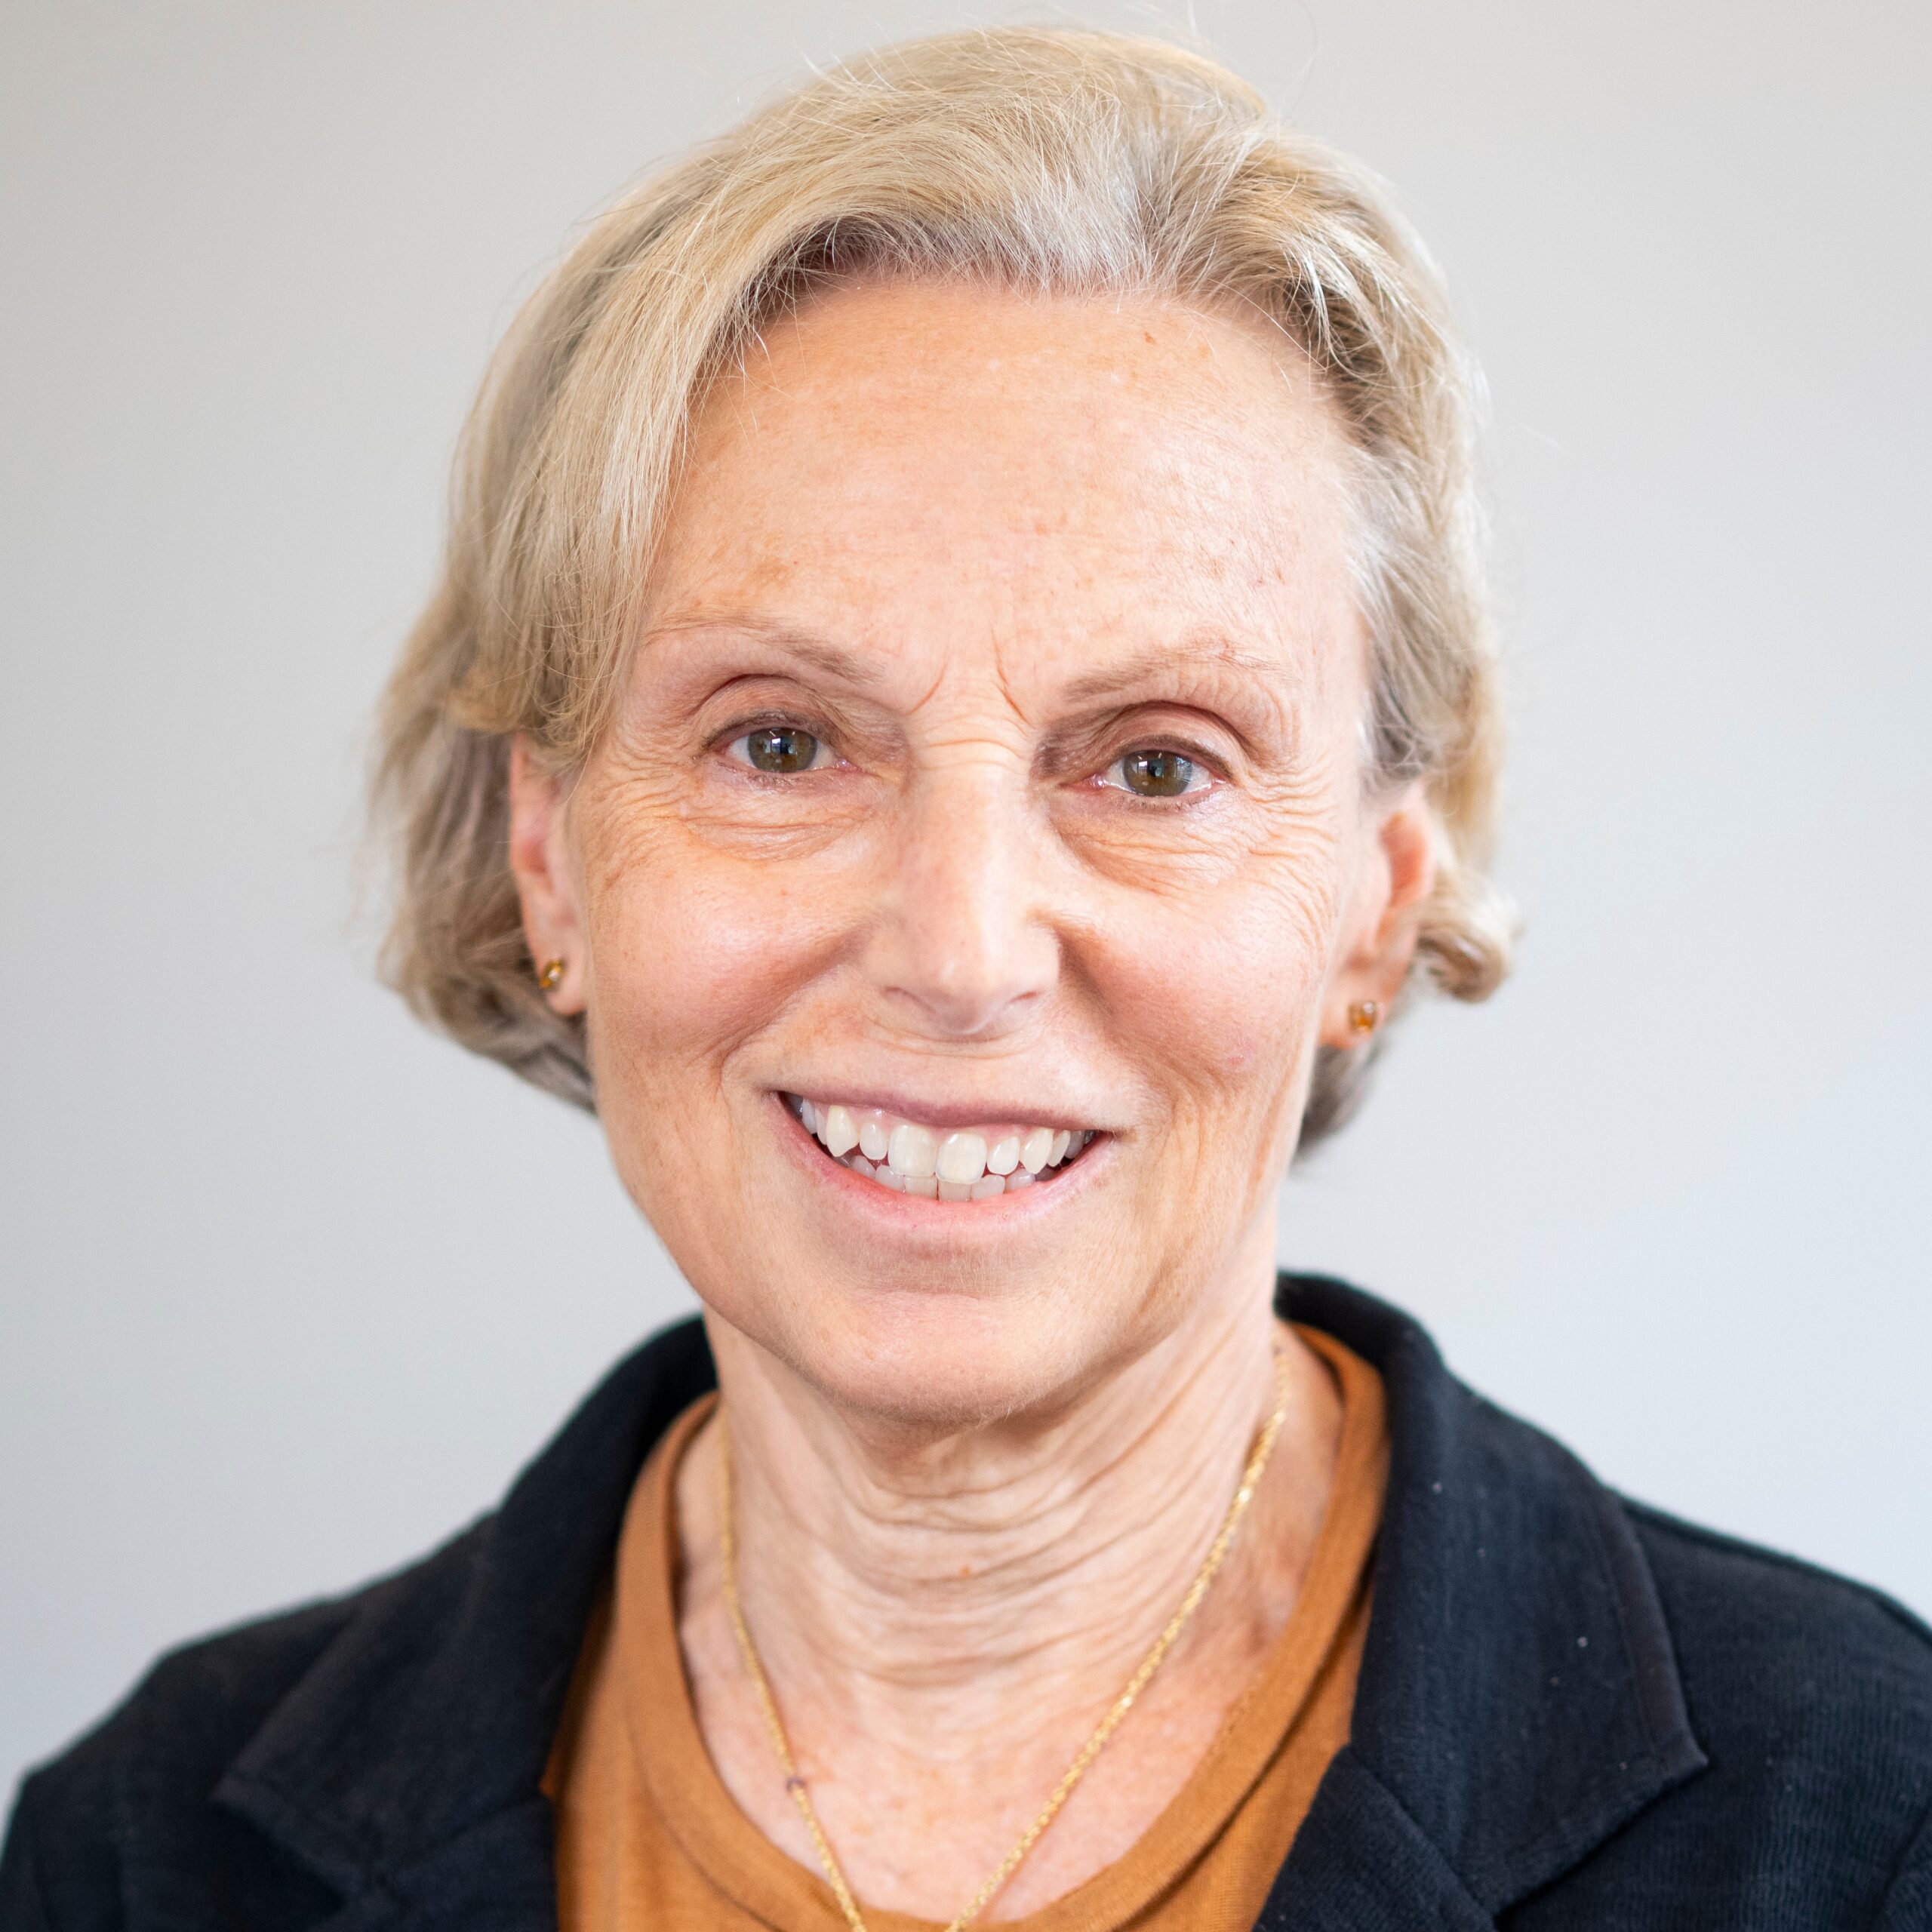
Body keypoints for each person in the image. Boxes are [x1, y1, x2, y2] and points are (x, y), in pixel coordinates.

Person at [4, 27, 1928, 1932]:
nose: (957, 950)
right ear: (547, 854)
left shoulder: (1860, 1838)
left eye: (1154, 765)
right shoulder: (146, 1860)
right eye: (778, 743)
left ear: (1372, 900)